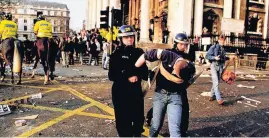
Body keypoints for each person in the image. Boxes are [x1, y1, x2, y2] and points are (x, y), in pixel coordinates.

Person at [135, 47, 195, 137]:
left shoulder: (190, 69)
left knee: (175, 130)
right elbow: (146, 55)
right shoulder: (168, 55)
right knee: (156, 125)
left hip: (176, 97)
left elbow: (188, 83)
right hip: (160, 94)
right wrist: (135, 68)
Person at [108, 25, 148, 137]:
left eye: (131, 37)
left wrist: (137, 74)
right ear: (121, 39)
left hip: (135, 91)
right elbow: (112, 75)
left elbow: (145, 73)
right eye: (126, 37)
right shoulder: (116, 54)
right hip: (120, 92)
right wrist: (128, 76)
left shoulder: (139, 52)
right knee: (123, 122)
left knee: (138, 120)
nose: (130, 39)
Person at [206, 35, 229, 105]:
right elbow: (207, 56)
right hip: (214, 66)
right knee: (216, 82)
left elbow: (223, 58)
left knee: (216, 82)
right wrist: (214, 58)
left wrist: (228, 58)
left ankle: (211, 95)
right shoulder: (213, 47)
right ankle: (219, 99)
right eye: (221, 40)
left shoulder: (223, 49)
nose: (222, 42)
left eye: (223, 40)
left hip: (220, 67)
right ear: (218, 40)